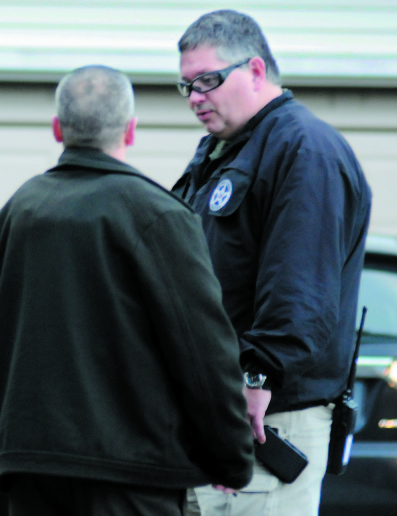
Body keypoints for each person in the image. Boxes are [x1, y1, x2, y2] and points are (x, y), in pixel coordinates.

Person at [0, 66, 256, 516]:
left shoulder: (15, 214)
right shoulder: (157, 215)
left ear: (58, 129)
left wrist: (5, 451)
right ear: (131, 129)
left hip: (32, 473)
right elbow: (202, 351)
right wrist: (231, 457)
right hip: (132, 477)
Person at [173, 11, 372, 515]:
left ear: (256, 70)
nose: (196, 96)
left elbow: (300, 285)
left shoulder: (305, 149)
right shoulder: (225, 151)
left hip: (267, 417)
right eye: (187, 86)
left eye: (208, 80)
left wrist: (257, 377)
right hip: (219, 418)